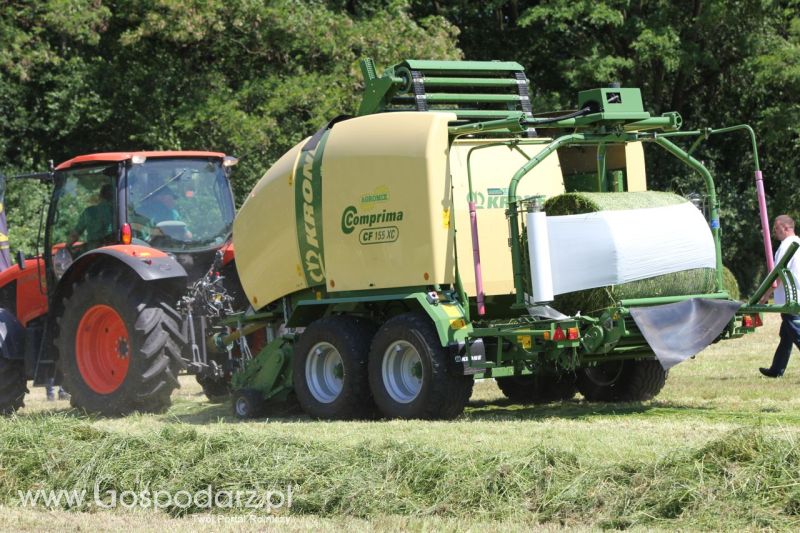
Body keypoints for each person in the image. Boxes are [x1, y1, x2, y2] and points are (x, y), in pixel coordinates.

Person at [759, 214, 800, 377]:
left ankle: (776, 369)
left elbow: (777, 275)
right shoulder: (798, 243)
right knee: (786, 335)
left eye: (776, 228)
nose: (774, 232)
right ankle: (776, 369)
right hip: (796, 295)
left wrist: (764, 297)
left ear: (786, 228)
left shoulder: (786, 246)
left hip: (791, 298)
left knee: (795, 332)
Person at [69, 183, 114, 250]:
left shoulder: (89, 212)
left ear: (100, 196)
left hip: (92, 251)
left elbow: (75, 234)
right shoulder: (116, 212)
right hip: (111, 250)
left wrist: (67, 247)